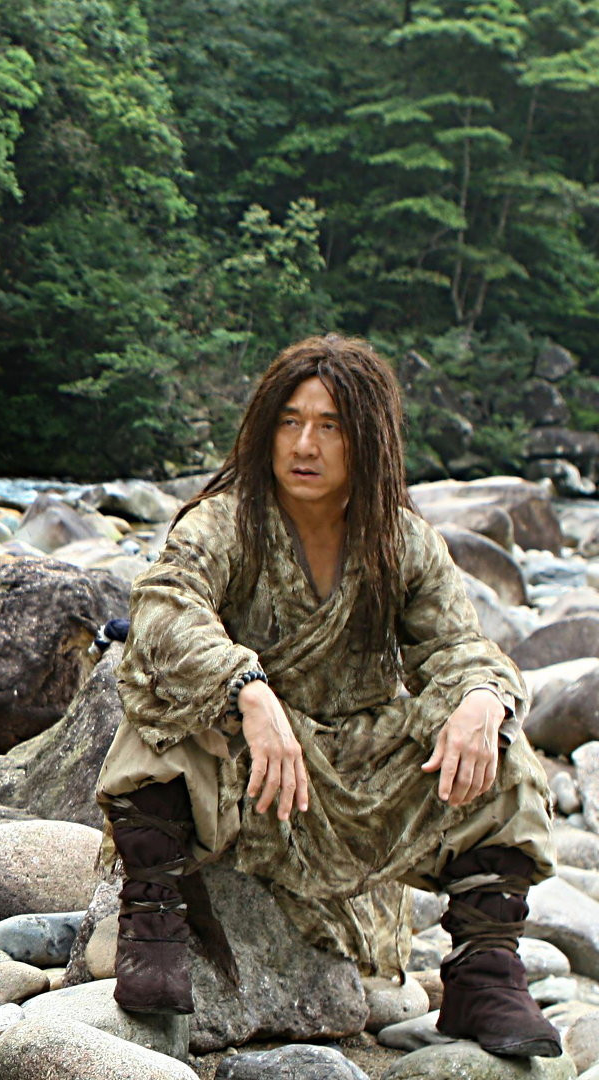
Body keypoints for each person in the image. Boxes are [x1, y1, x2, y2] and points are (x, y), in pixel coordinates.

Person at [96, 334, 560, 1058]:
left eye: (330, 425)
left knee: (502, 748)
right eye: (289, 420)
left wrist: (480, 698)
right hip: (250, 770)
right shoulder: (226, 520)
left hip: (348, 777)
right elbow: (164, 610)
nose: (304, 444)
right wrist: (248, 691)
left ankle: (485, 970)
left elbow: (460, 648)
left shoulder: (399, 541)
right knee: (158, 711)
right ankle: (153, 924)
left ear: (367, 440)